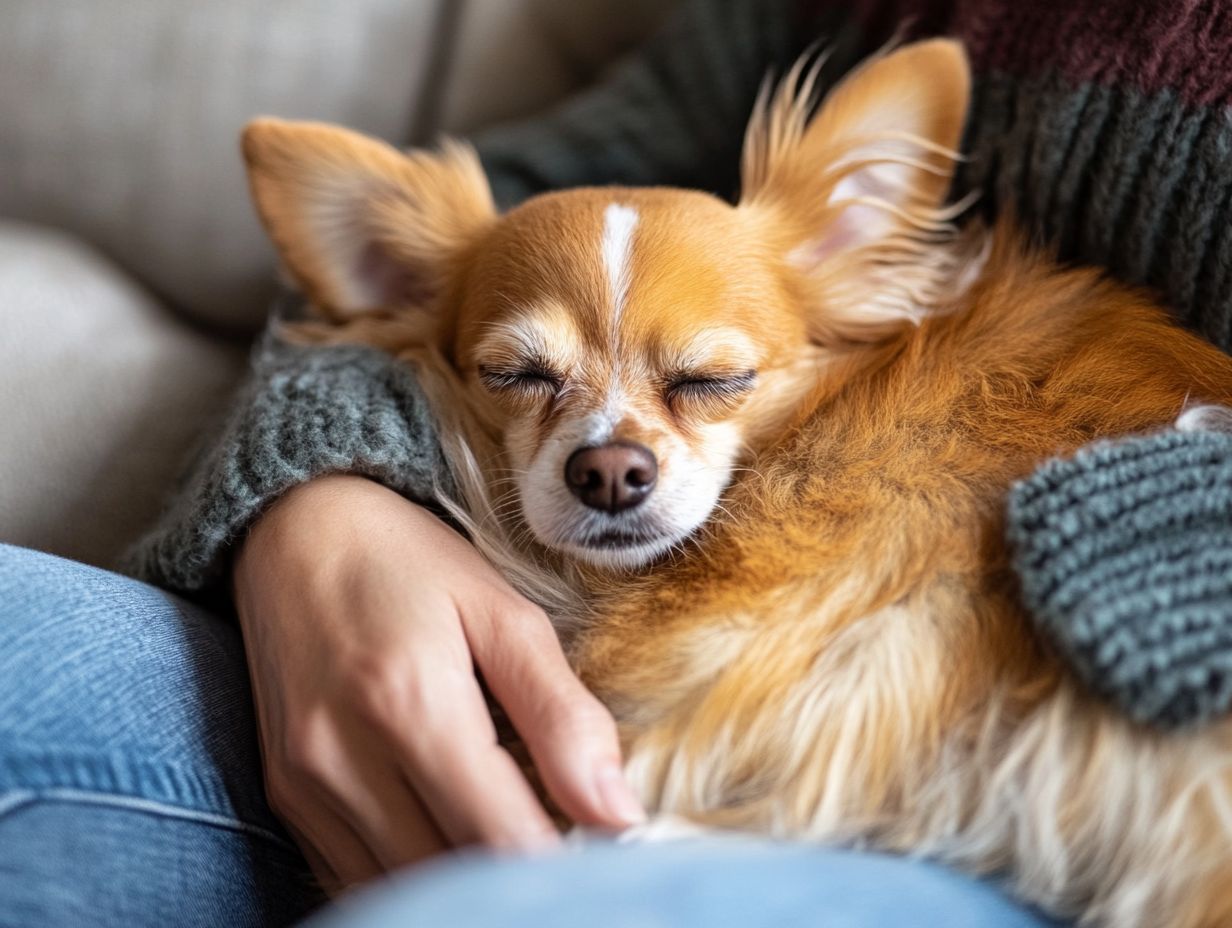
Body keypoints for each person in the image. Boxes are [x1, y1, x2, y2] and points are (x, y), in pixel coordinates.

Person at [4, 0, 1231, 924]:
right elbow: (524, 217)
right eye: (526, 377)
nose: (612, 454)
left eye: (703, 382)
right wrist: (319, 497)